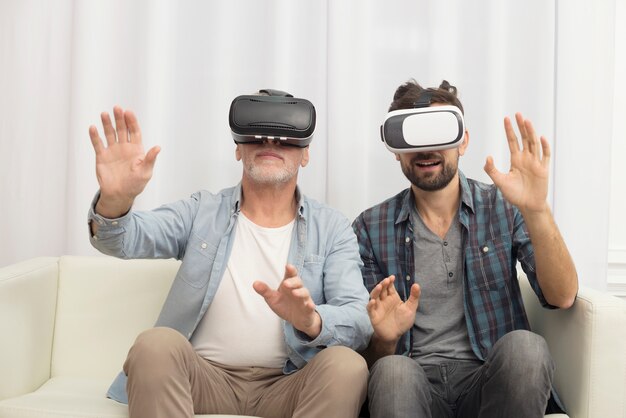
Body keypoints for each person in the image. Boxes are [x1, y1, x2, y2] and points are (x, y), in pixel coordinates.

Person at [87, 90, 372, 418]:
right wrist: (115, 199)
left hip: (289, 383)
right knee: (154, 345)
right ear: (238, 148)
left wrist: (311, 320)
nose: (270, 142)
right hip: (204, 378)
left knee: (347, 365)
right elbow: (122, 240)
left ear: (305, 154)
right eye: (257, 135)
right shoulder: (202, 212)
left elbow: (358, 320)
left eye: (285, 138)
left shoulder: (332, 227)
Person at [352, 80, 578, 418]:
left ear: (463, 141)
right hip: (414, 386)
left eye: (439, 133)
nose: (427, 150)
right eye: (414, 138)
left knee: (527, 349)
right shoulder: (370, 227)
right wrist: (385, 340)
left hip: (489, 380)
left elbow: (562, 297)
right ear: (396, 148)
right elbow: (373, 363)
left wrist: (536, 210)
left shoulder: (502, 206)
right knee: (393, 371)